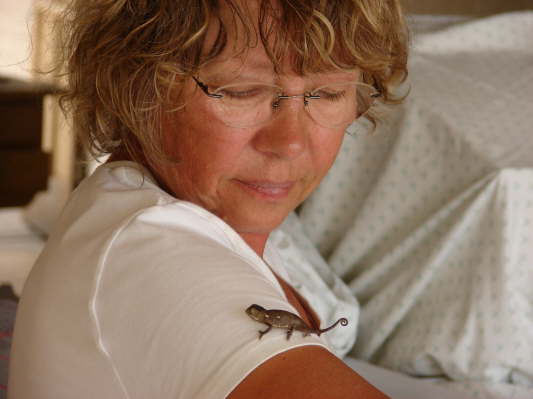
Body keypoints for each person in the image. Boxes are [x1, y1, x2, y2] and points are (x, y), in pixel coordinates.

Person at [9, 0, 408, 398]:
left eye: (327, 94)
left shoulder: (159, 208)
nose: (289, 142)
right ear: (137, 85)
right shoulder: (158, 258)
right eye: (241, 91)